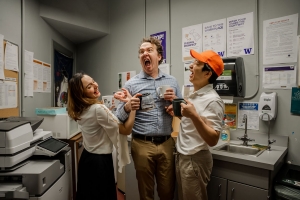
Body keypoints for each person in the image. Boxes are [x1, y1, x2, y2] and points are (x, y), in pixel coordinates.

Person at [116, 37, 182, 200]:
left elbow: (182, 110)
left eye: (149, 50)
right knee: (146, 193)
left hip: (167, 143)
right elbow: (118, 116)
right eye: (141, 52)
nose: (145, 53)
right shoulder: (131, 84)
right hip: (142, 144)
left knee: (167, 192)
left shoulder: (172, 81)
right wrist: (128, 105)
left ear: (159, 56)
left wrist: (174, 104)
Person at [67, 72, 137, 200]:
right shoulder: (97, 109)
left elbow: (104, 121)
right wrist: (133, 108)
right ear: (81, 94)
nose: (95, 85)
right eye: (89, 87)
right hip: (99, 163)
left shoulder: (81, 109)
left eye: (93, 81)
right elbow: (126, 130)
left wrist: (112, 110)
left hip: (87, 159)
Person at [171, 49, 225, 200]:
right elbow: (195, 125)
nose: (191, 66)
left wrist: (193, 115)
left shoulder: (213, 100)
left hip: (194, 160)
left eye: (197, 63)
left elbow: (213, 139)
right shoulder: (195, 95)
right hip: (183, 157)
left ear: (208, 74)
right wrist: (183, 116)